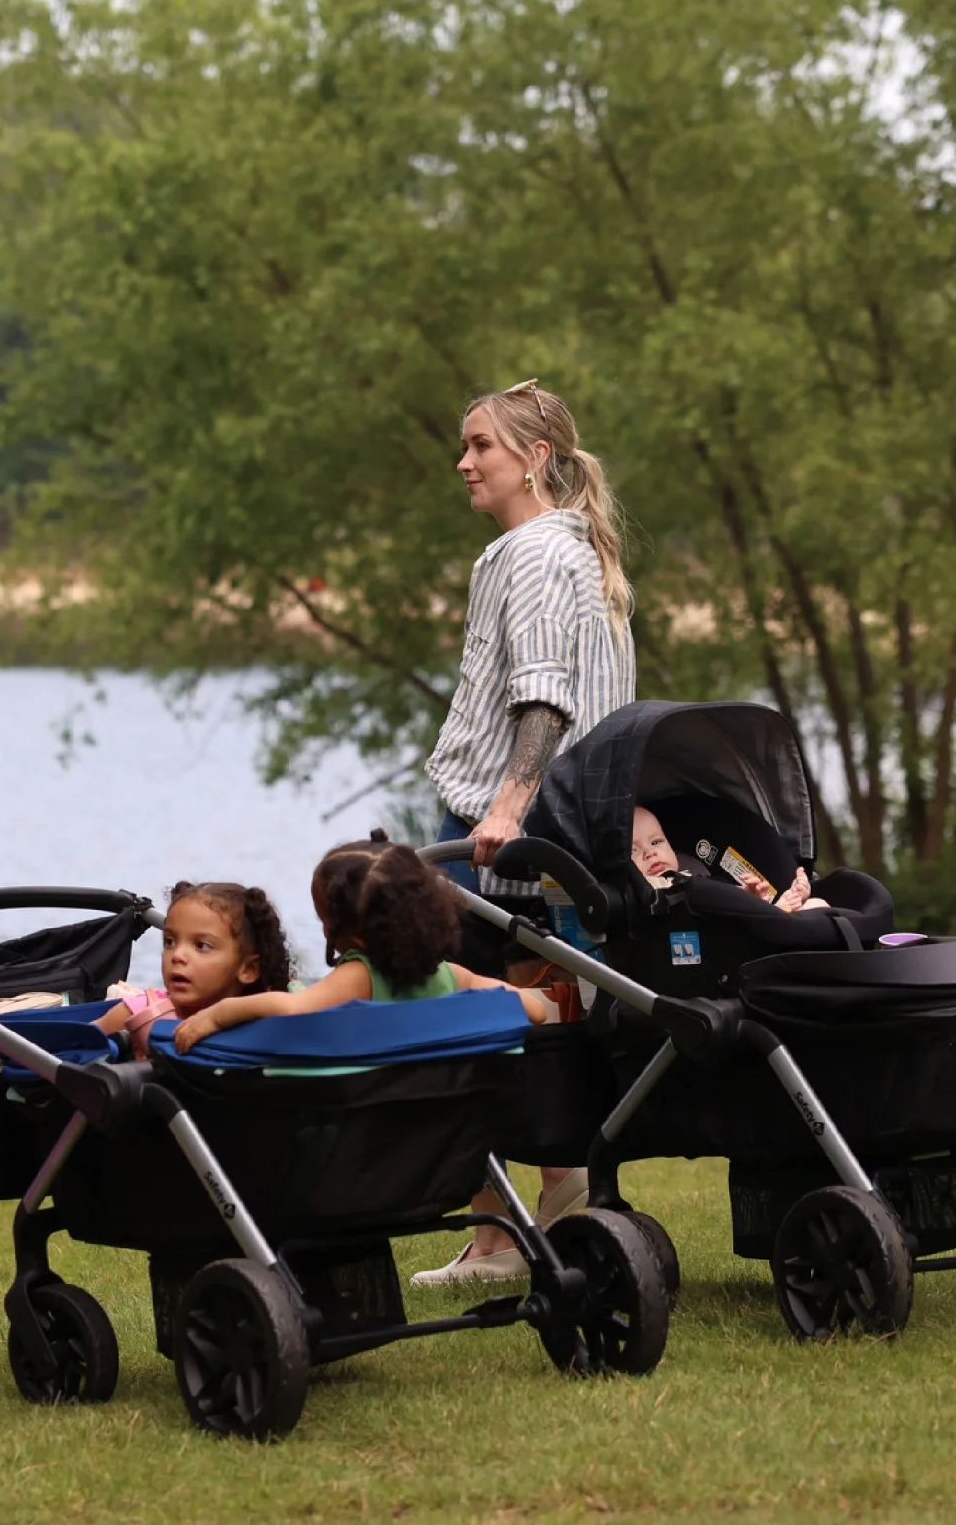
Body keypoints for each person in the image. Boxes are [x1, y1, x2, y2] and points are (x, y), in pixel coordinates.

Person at [419, 380, 637, 1281]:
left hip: (502, 830)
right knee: (539, 1016)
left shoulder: (541, 552)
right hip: (546, 828)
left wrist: (507, 807)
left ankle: (503, 1237)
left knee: (472, 1019)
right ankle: (547, 1212)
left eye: (482, 447)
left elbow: (544, 694)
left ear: (535, 458)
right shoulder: (553, 548)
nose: (465, 463)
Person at [172, 839, 551, 1051]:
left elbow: (294, 1007)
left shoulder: (359, 976)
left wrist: (220, 1013)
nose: (323, 933)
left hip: (372, 1136)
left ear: (352, 934)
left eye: (325, 921)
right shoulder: (451, 975)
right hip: (436, 1135)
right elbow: (534, 1011)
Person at [98, 881, 293, 1060]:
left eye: (202, 945)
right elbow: (74, 1050)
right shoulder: (135, 1013)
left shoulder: (262, 1020)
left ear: (248, 969)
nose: (177, 955)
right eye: (170, 942)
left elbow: (296, 1005)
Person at [632, 804, 828, 911]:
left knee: (816, 905)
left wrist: (751, 898)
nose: (650, 853)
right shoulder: (647, 891)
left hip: (736, 923)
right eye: (633, 850)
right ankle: (779, 912)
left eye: (656, 842)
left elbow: (722, 898)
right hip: (713, 945)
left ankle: (784, 906)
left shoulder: (693, 872)